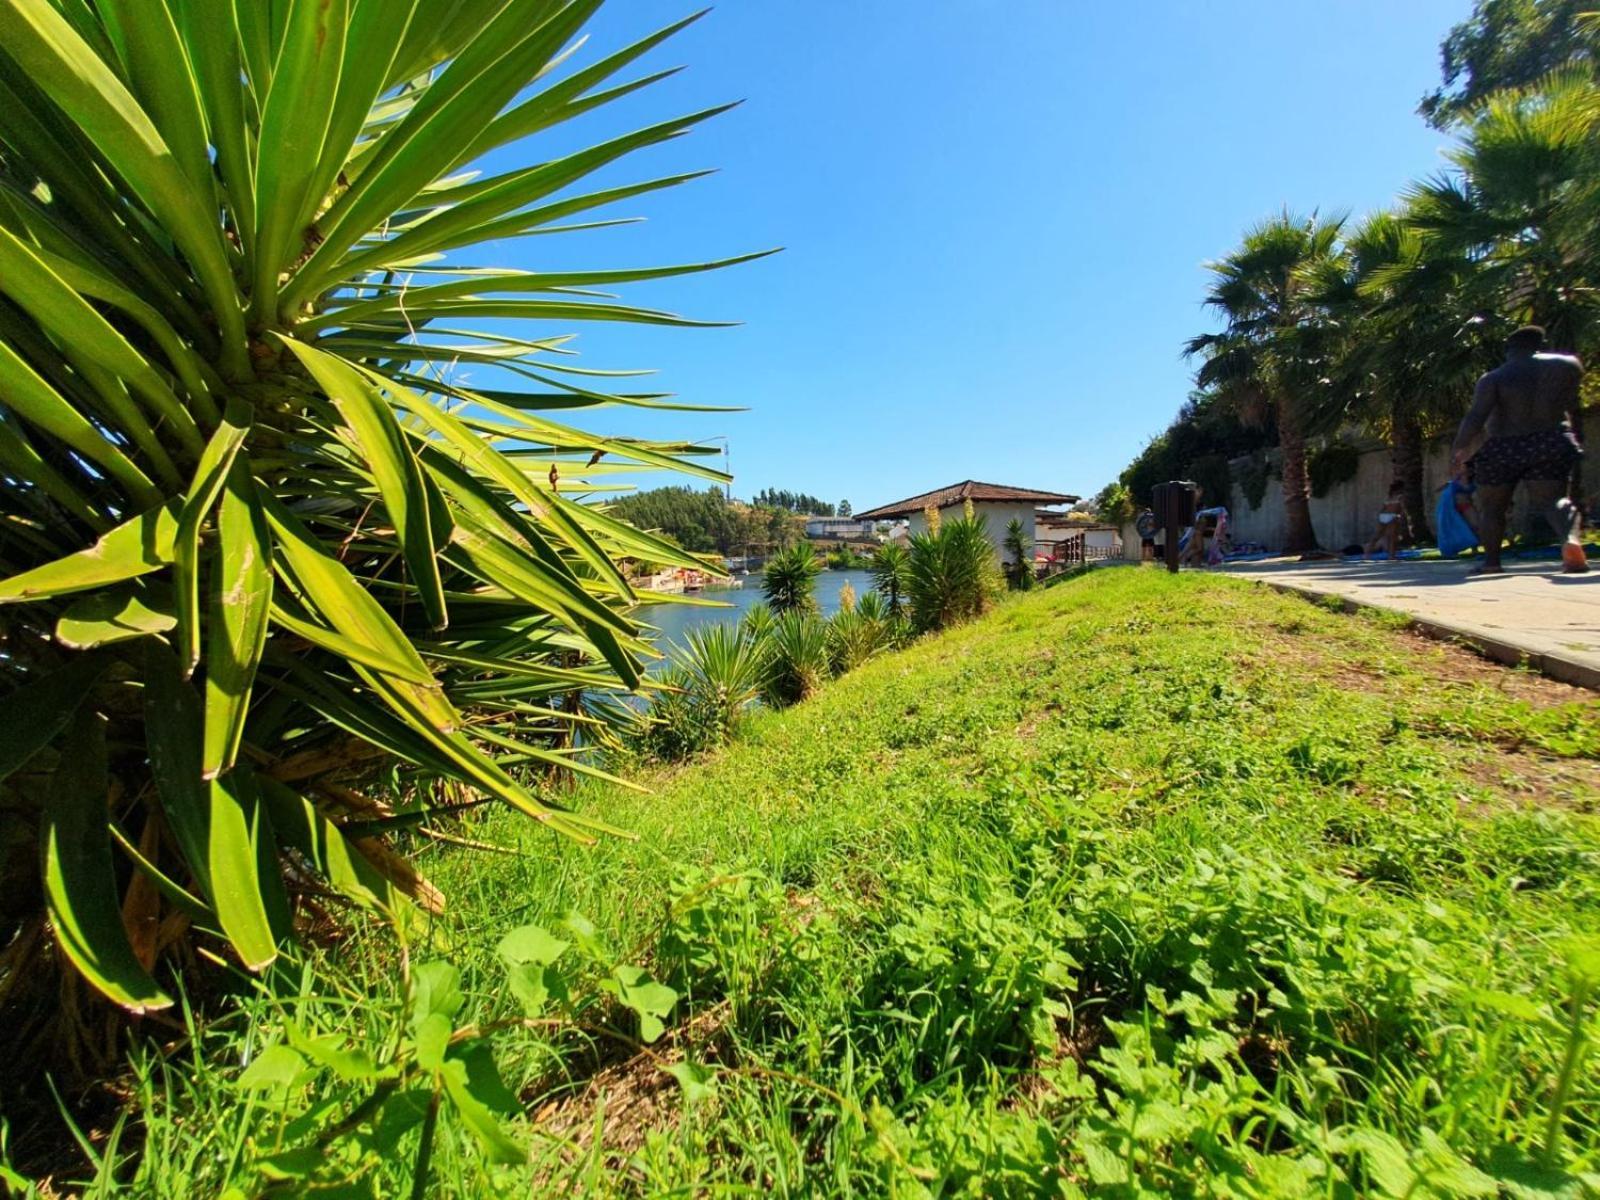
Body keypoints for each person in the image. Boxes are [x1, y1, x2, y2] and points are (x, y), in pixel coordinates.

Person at [1451, 325, 1587, 574]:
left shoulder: (1495, 378)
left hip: (1504, 444)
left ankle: (1491, 563)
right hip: (1550, 438)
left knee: (1492, 507)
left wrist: (1459, 449)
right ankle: (1571, 540)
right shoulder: (1567, 366)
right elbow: (1569, 400)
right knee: (1555, 499)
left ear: (1510, 349)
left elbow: (1476, 416)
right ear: (1540, 344)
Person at [1364, 481, 1408, 559]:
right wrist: (1401, 516)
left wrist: (1380, 517)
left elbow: (1382, 509)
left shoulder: (1388, 497)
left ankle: (1367, 553)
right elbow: (1402, 508)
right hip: (1393, 516)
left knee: (1377, 535)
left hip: (1383, 516)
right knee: (1392, 537)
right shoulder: (1400, 497)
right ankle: (1391, 556)